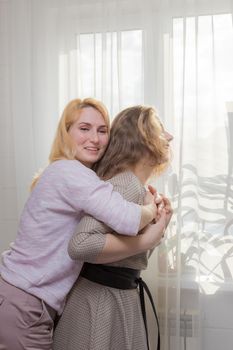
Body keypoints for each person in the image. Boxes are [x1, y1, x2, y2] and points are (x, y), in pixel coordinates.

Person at [0, 98, 163, 350]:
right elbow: (126, 217)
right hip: (24, 301)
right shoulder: (68, 171)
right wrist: (153, 212)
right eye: (84, 129)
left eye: (102, 130)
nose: (95, 139)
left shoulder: (75, 175)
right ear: (66, 133)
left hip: (24, 299)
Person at [53, 105, 173, 350]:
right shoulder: (126, 184)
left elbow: (128, 258)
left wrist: (159, 226)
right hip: (99, 304)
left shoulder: (135, 188)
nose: (169, 137)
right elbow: (81, 244)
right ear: (143, 140)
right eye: (161, 131)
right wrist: (149, 239)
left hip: (115, 299)